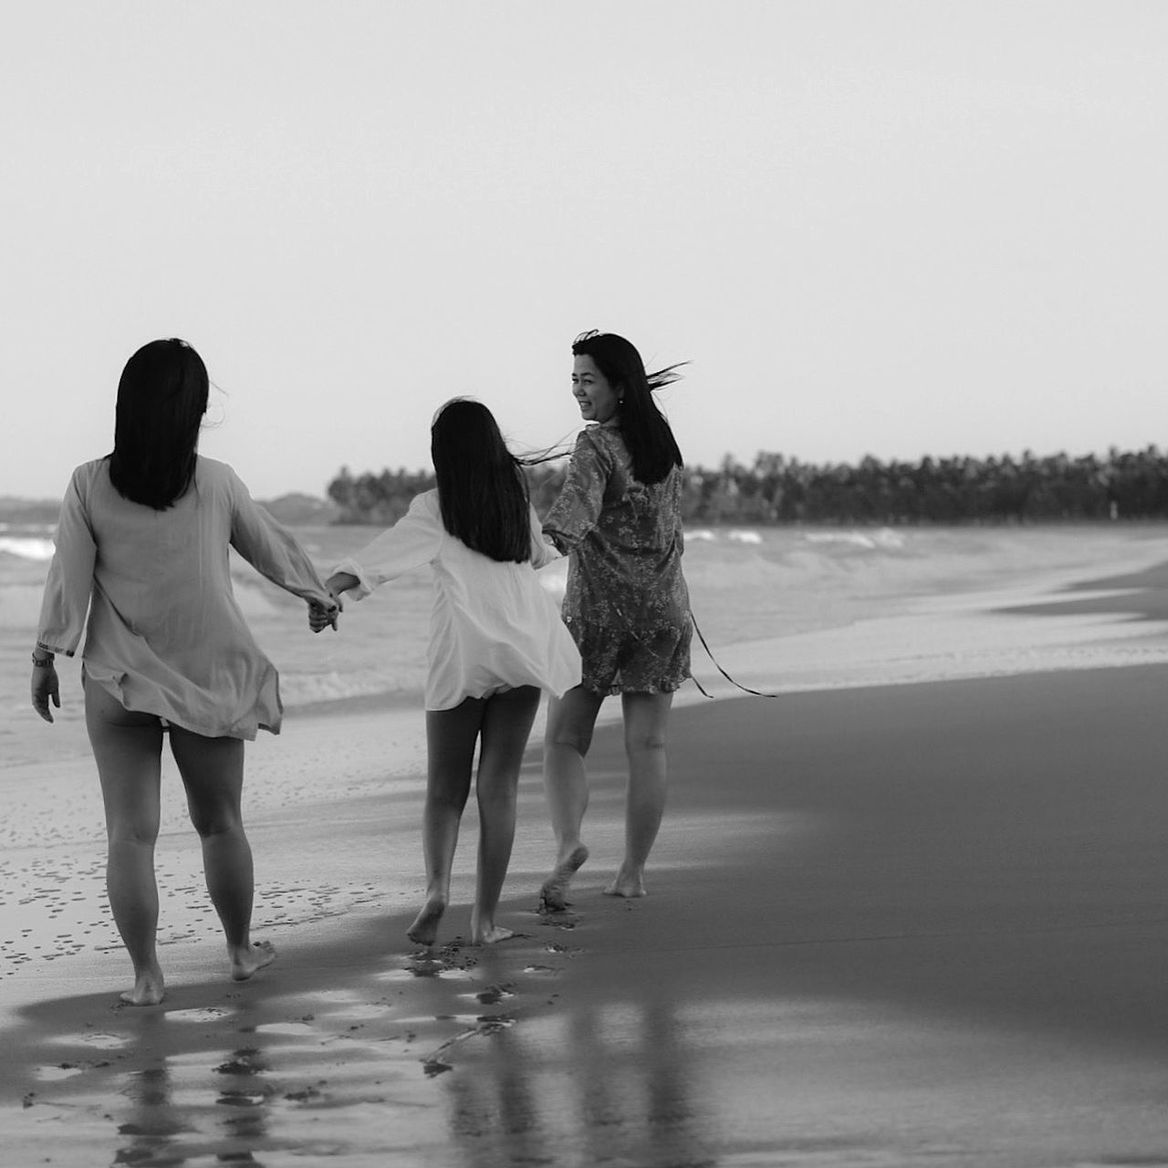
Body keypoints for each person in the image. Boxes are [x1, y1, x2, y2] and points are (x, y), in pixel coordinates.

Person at [31, 338, 337, 1006]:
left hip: (118, 682)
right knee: (221, 822)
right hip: (207, 678)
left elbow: (68, 582)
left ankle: (146, 978)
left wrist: (46, 654)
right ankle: (238, 952)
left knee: (130, 835)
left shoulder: (88, 483)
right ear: (195, 410)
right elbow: (270, 547)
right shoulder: (217, 481)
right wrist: (316, 592)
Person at [315, 398, 580, 946]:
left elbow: (383, 558)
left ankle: (438, 890)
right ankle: (485, 922)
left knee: (444, 790)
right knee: (499, 786)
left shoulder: (436, 507)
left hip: (463, 651)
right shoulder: (513, 498)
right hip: (523, 648)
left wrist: (334, 591)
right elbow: (536, 555)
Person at [538, 331, 690, 910]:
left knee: (563, 740)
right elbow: (672, 530)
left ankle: (570, 844)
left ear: (619, 385)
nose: (578, 390)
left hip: (598, 616)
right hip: (665, 612)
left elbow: (569, 521)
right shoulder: (663, 444)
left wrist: (516, 553)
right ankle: (632, 874)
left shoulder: (595, 445)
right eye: (574, 379)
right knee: (648, 745)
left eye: (588, 379)